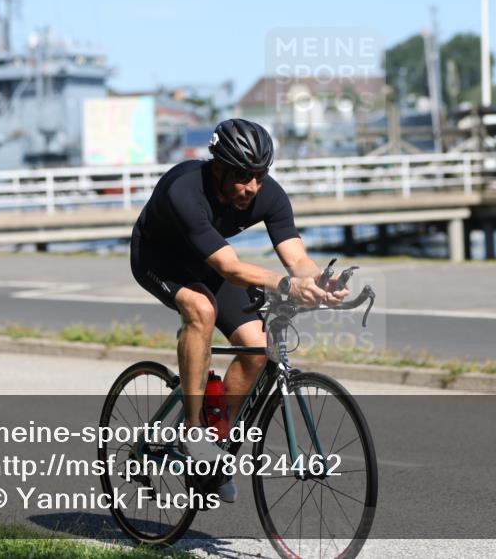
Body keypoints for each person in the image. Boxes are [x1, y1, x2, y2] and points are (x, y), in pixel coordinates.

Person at [130, 118, 347, 502]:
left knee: (258, 346)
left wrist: (317, 283)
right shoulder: (185, 190)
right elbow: (230, 268)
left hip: (207, 261)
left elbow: (296, 257)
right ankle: (194, 433)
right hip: (158, 259)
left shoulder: (267, 194)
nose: (252, 187)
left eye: (260, 175)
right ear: (218, 167)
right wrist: (284, 285)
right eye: (244, 177)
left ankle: (214, 446)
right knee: (200, 310)